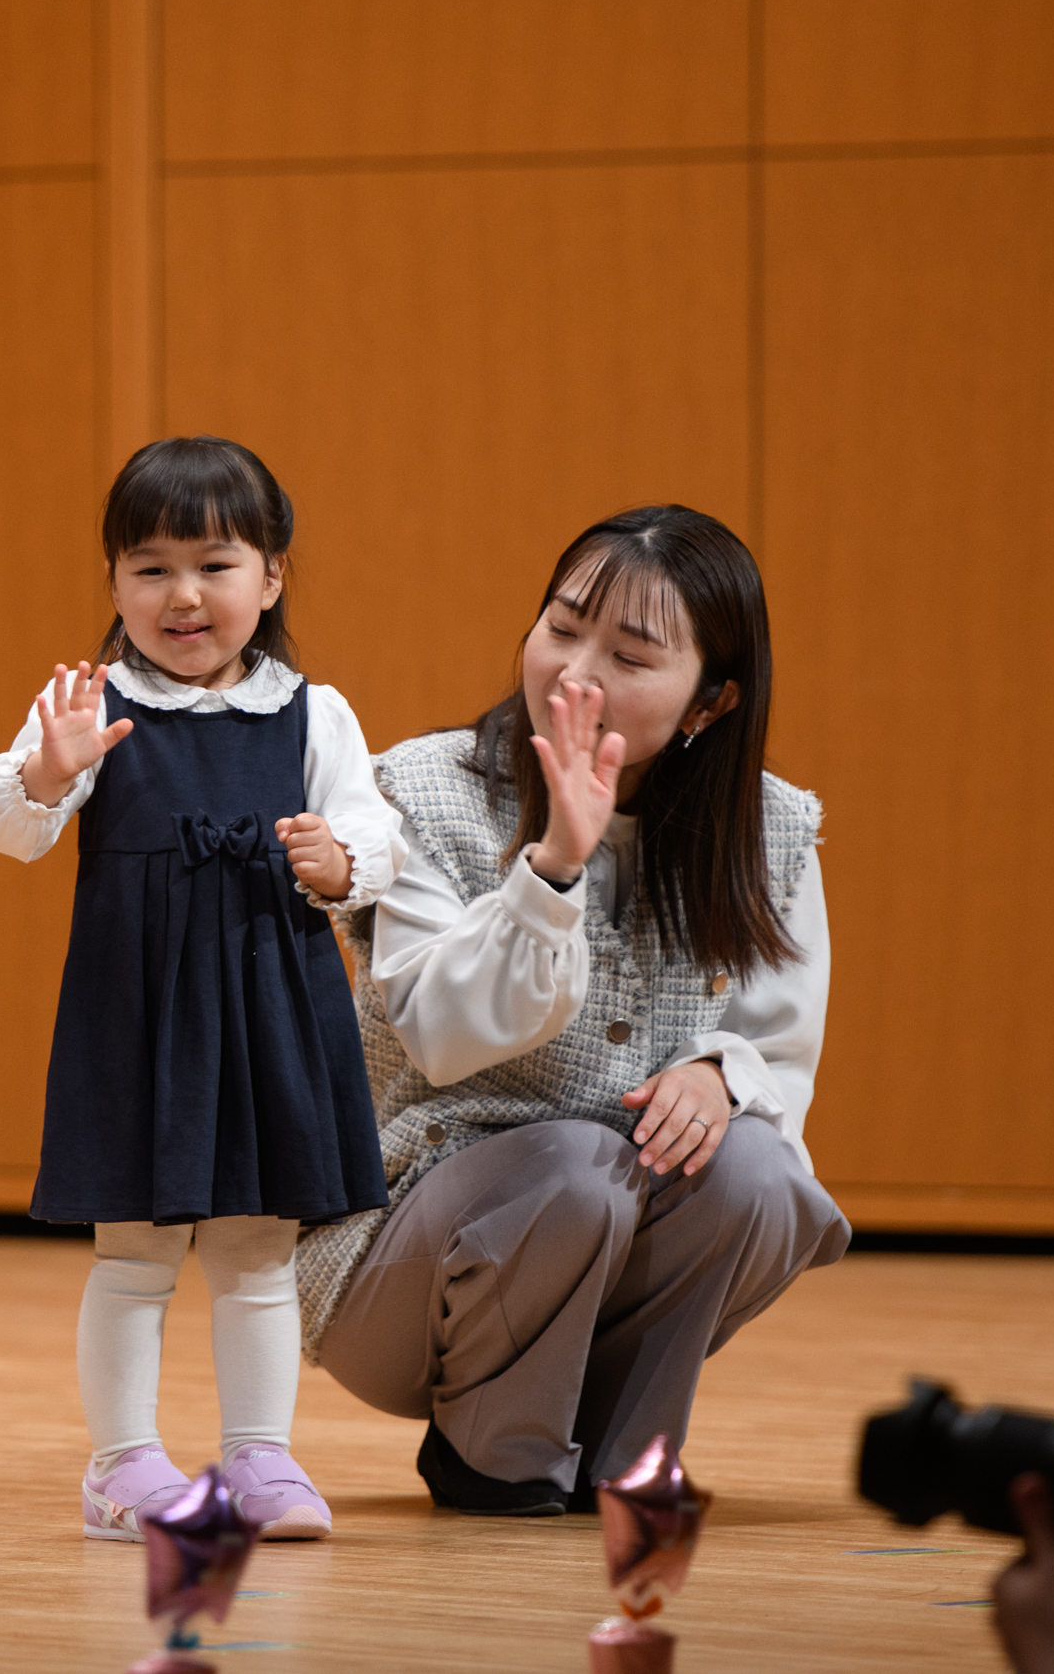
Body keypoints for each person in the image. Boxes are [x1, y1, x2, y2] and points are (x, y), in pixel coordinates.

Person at [294, 504, 851, 1516]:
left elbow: (780, 1047)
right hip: (401, 1261)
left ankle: (625, 1452)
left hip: (601, 1246)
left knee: (756, 1166)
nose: (572, 670)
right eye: (560, 626)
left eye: (629, 654)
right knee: (574, 1168)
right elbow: (441, 1030)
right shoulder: (418, 791)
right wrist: (551, 866)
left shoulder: (767, 828)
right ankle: (492, 1455)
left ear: (709, 702)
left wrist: (720, 1071)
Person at [0, 437, 404, 1543]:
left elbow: (374, 833)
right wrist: (47, 769)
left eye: (214, 563)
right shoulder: (89, 701)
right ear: (113, 582)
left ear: (270, 577)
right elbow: (2, 823)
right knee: (135, 1249)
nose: (182, 594)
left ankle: (262, 1456)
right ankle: (122, 1466)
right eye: (148, 566)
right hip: (138, 1017)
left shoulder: (315, 712)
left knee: (258, 1248)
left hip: (271, 1006)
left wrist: (338, 865)